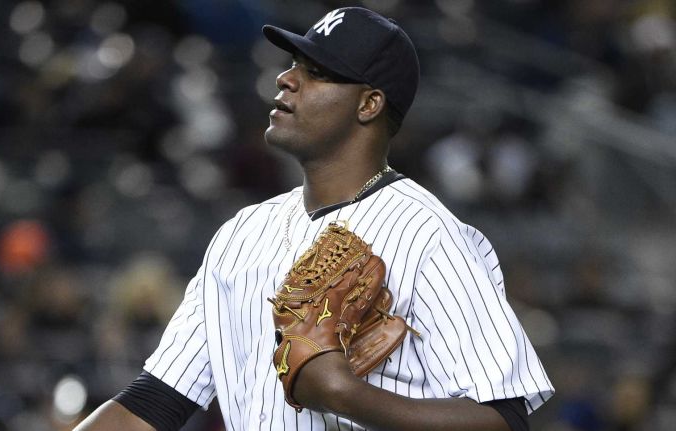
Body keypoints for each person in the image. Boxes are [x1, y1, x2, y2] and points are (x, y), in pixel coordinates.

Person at [75, 6, 554, 431]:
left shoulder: (429, 234)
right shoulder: (241, 234)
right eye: (293, 65)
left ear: (369, 104)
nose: (287, 79)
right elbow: (155, 403)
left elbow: (504, 418)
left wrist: (346, 395)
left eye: (319, 72)